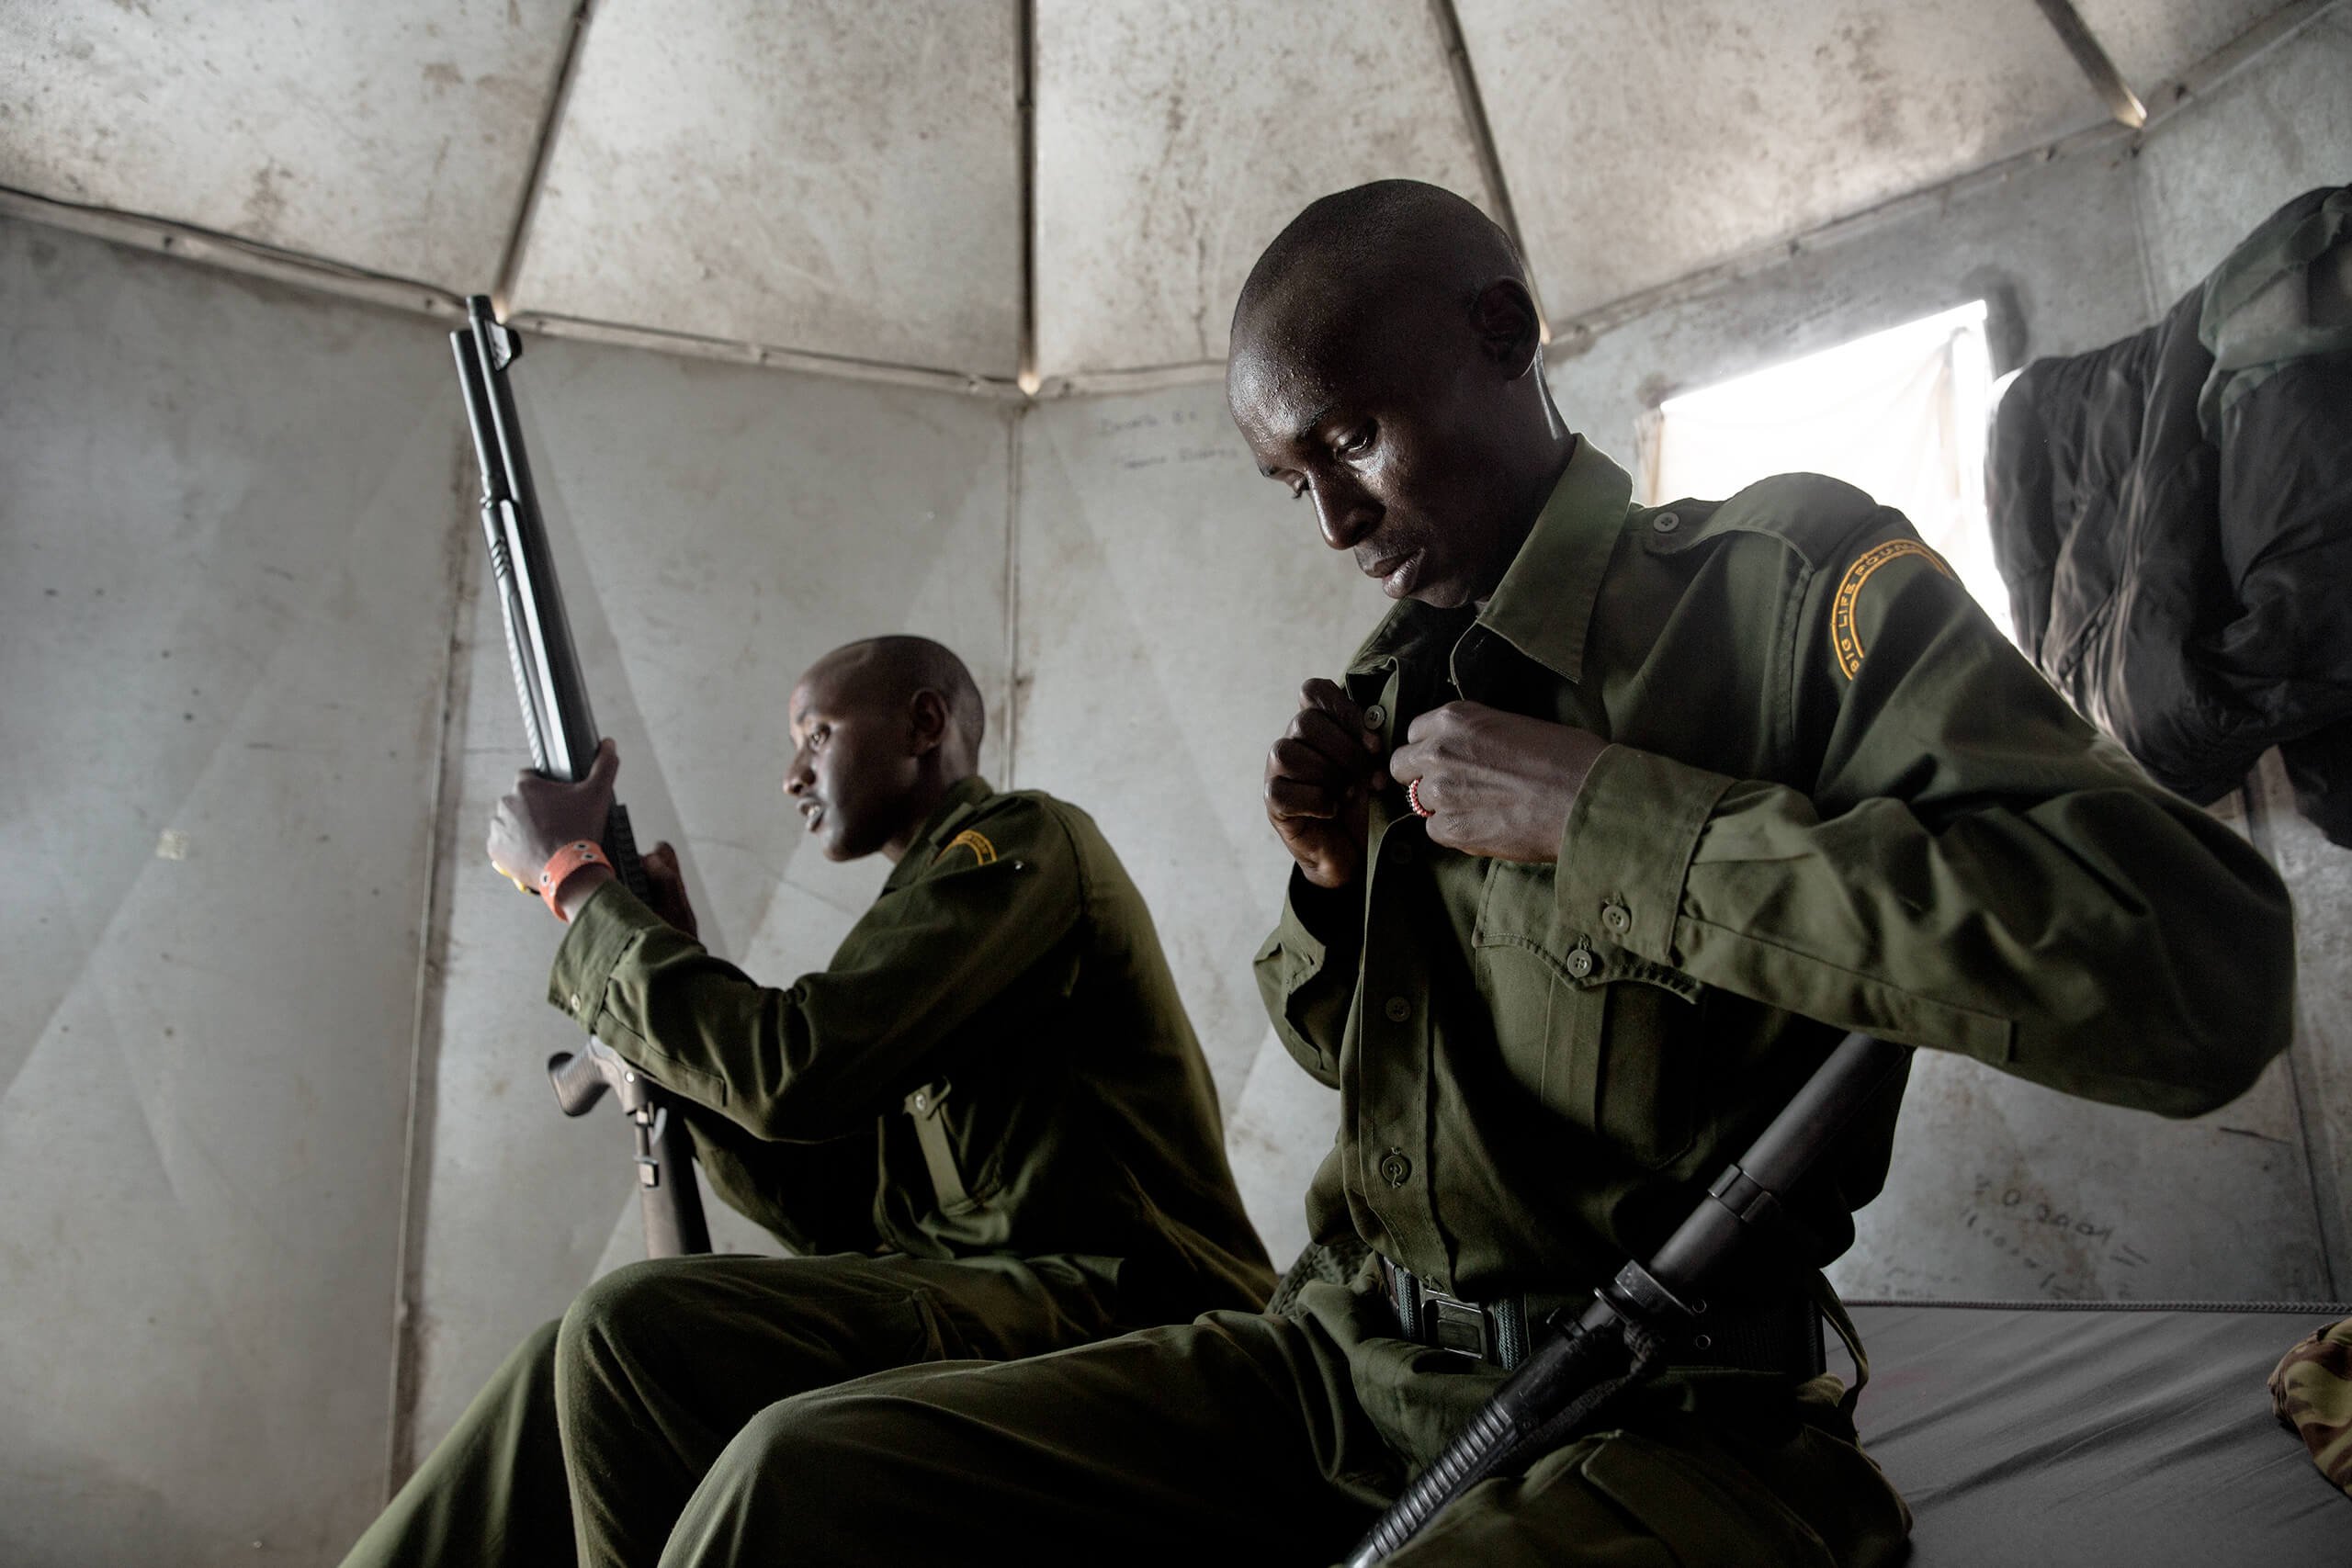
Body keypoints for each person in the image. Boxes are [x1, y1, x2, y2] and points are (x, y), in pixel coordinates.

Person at [644, 183, 2298, 1567]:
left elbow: (2196, 981)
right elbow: (1369, 1073)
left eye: (1351, 437)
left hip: (1658, 1408)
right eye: (1294, 482)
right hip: (1338, 1360)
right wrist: (1336, 887)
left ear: (1502, 338)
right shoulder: (1393, 689)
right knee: (798, 1481)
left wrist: (1613, 817)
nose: (1335, 523)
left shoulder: (1779, 585)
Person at [337, 635, 1272, 1568]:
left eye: (816, 735)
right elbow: (830, 1207)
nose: (792, 775)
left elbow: (796, 1071)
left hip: (1132, 1306)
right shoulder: (920, 910)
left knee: (635, 1331)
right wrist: (679, 1027)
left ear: (924, 723)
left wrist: (576, 882)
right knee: (565, 1368)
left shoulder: (1017, 845)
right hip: (1005, 1295)